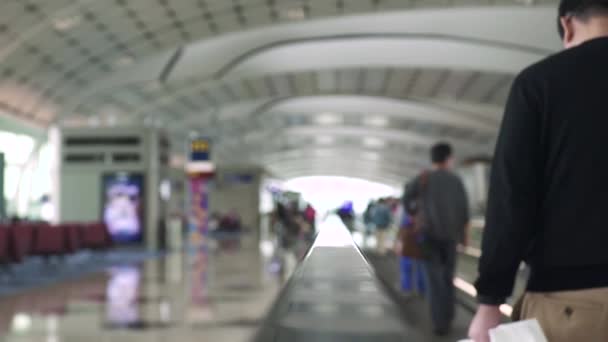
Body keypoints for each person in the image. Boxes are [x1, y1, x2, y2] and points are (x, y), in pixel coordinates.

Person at [469, 2, 608, 341]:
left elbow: (512, 197)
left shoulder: (540, 83)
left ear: (568, 25)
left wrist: (490, 300)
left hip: (572, 303)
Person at [403, 142, 469, 336]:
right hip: (450, 238)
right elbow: (464, 212)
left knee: (434, 280)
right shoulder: (456, 180)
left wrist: (415, 214)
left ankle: (439, 322)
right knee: (448, 278)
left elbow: (407, 199)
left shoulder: (423, 178)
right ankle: (448, 317)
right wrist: (463, 238)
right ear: (448, 158)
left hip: (428, 236)